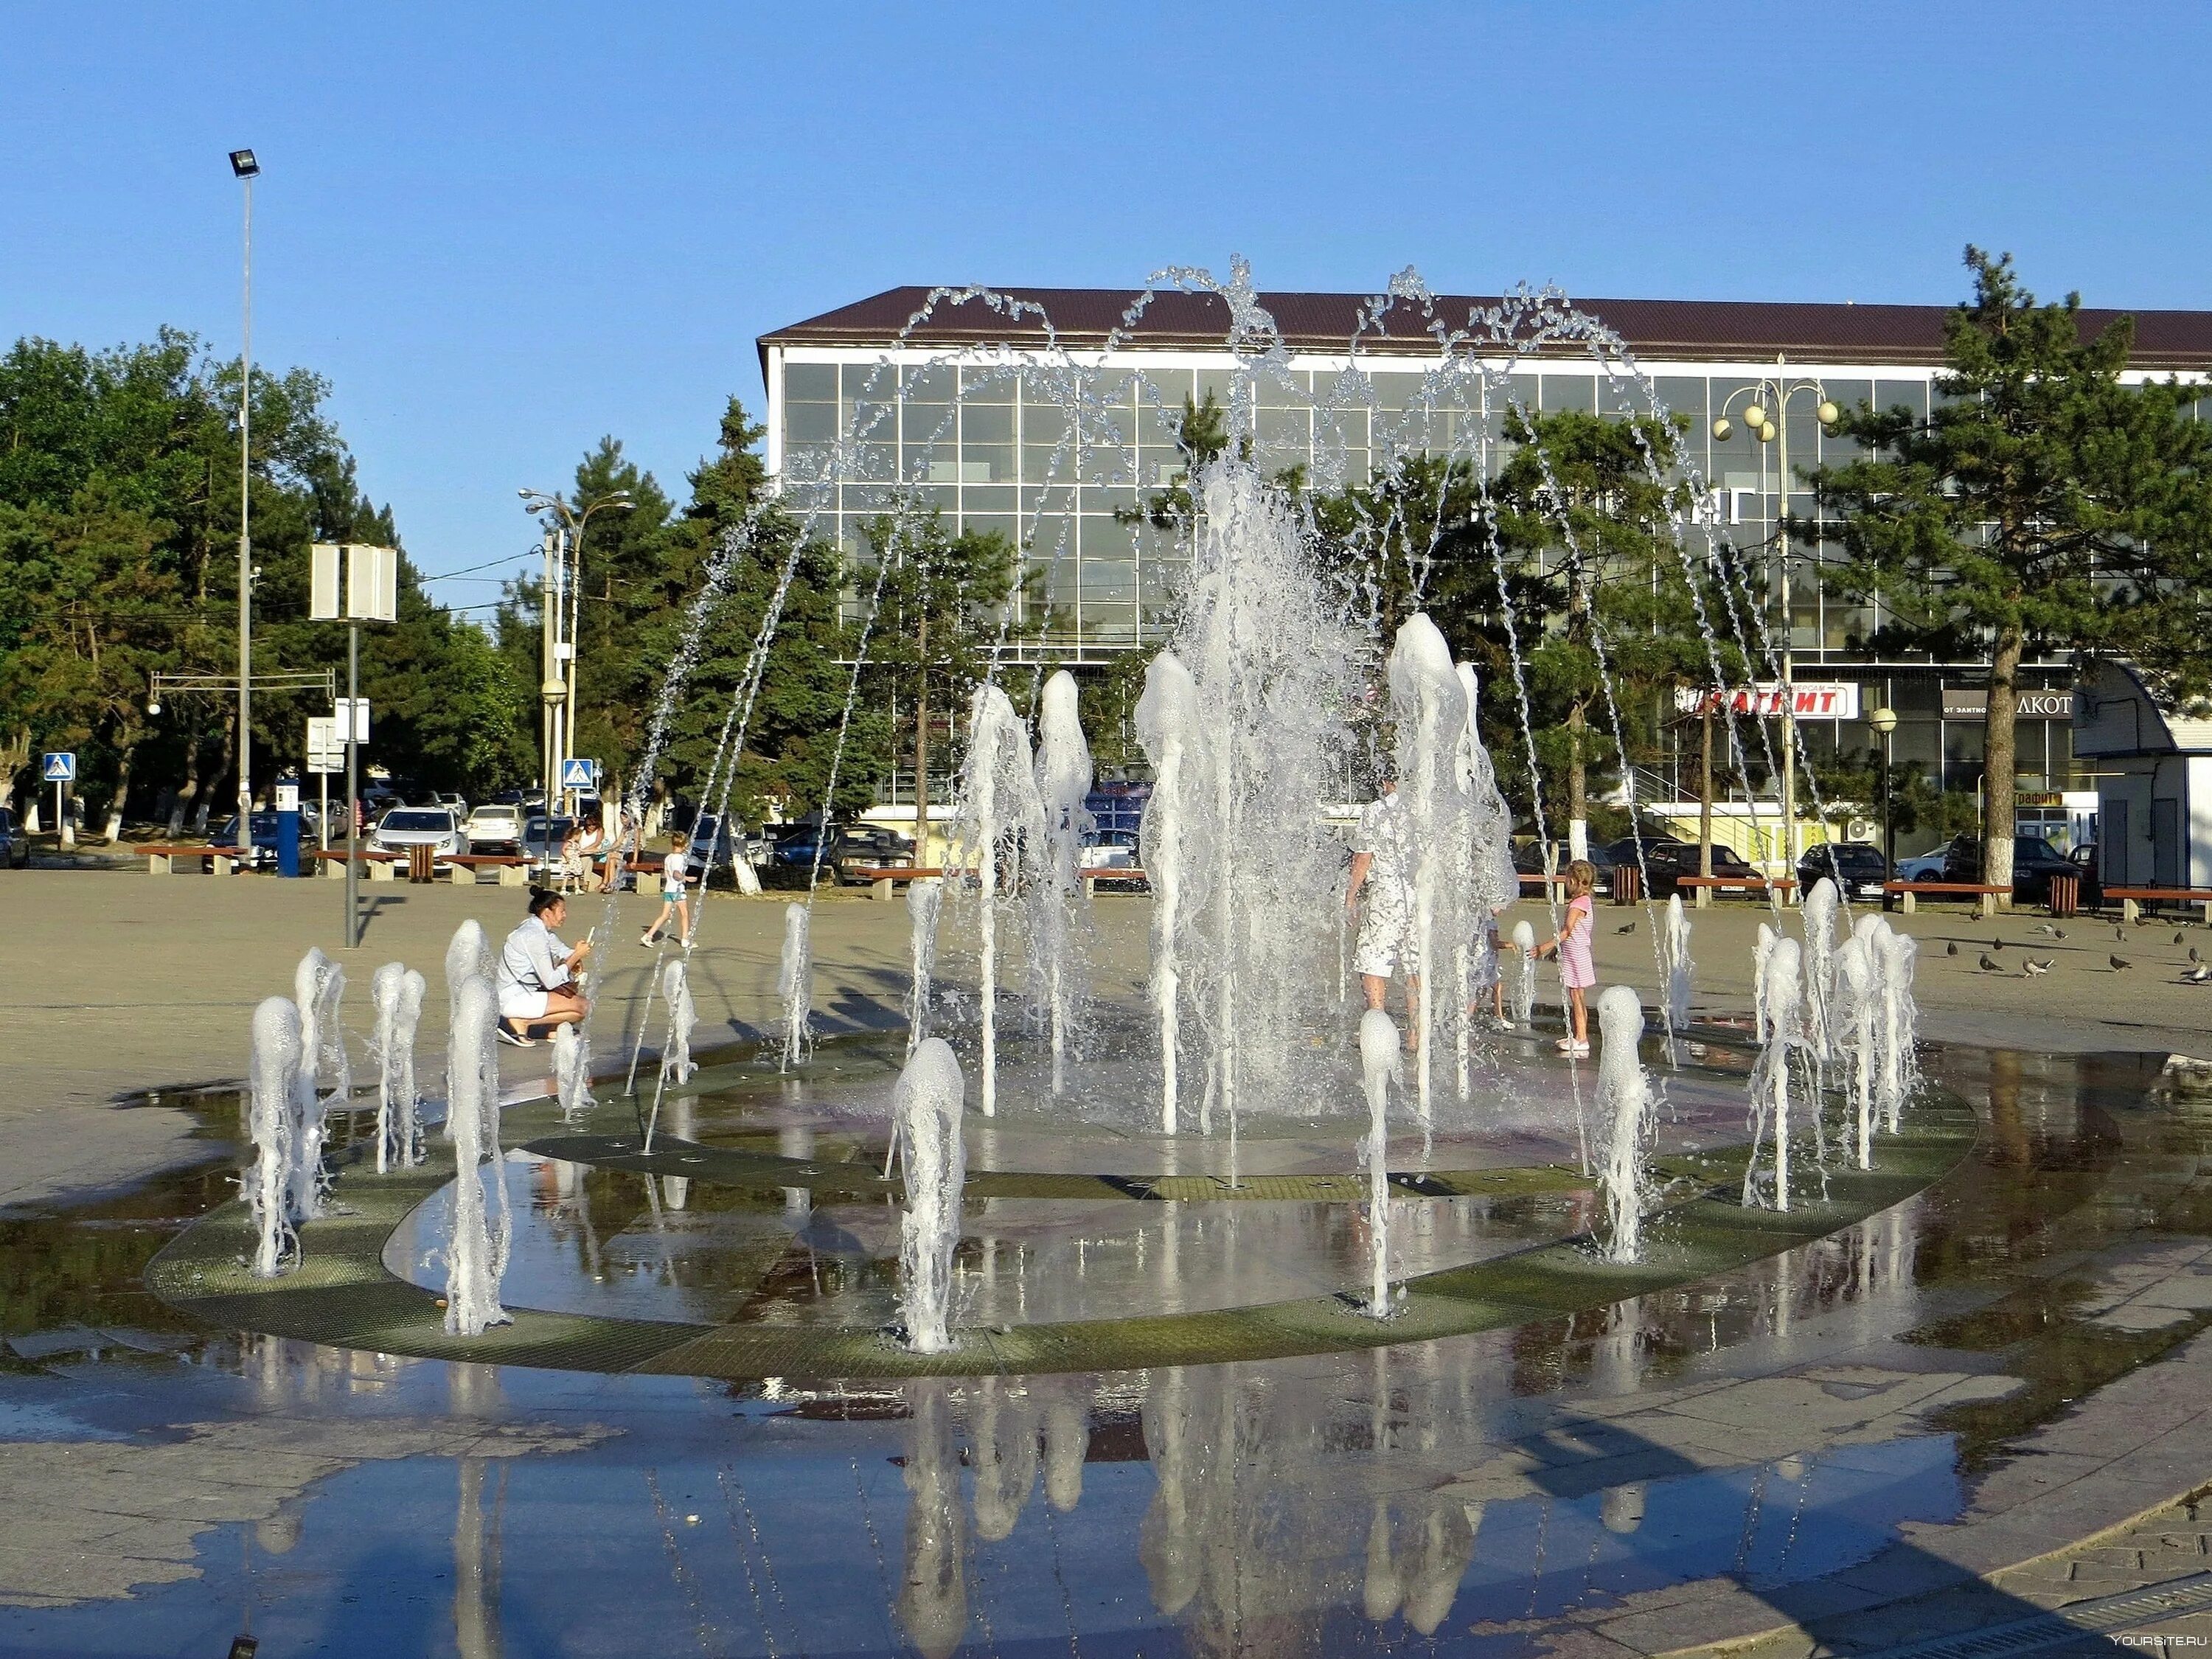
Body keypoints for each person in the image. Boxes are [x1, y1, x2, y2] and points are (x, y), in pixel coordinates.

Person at [1346, 777, 1421, 1043]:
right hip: (1420, 895)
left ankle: (1377, 1027)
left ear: (1386, 780)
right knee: (1415, 963)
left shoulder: (1377, 811)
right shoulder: (1424, 811)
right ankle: (1415, 1032)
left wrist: (1351, 897)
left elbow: (1363, 857)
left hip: (1387, 895)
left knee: (1372, 960)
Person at [495, 887, 593, 1048]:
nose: (565, 916)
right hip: (514, 997)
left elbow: (562, 951)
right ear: (547, 912)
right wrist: (576, 956)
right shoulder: (535, 936)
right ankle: (524, 1021)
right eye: (562, 911)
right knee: (584, 1006)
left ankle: (554, 1032)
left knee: (570, 983)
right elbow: (551, 981)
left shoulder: (539, 930)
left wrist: (576, 953)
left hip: (523, 992)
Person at [1532, 859, 1597, 1057]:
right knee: (1578, 995)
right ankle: (1580, 1036)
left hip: (1576, 953)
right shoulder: (1584, 901)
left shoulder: (1578, 904)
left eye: (1568, 879)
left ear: (1574, 881)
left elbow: (1567, 931)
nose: (1567, 883)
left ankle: (1581, 1038)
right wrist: (1556, 951)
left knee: (1576, 996)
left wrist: (1544, 947)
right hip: (1578, 952)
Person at [641, 830, 694, 948]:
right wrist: (686, 878)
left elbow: (667, 873)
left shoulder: (669, 857)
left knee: (665, 915)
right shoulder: (679, 858)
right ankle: (685, 939)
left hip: (668, 889)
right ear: (684, 845)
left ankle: (649, 935)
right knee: (685, 914)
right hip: (677, 890)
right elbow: (676, 874)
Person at [1471, 905, 1512, 1028]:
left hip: (1482, 961)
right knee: (1488, 990)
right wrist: (1510, 945)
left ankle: (1497, 1017)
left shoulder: (1480, 921)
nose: (1501, 909)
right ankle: (1498, 1018)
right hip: (1487, 962)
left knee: (1486, 990)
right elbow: (1494, 943)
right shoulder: (1491, 923)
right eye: (1498, 907)